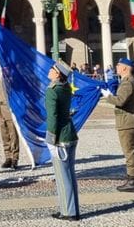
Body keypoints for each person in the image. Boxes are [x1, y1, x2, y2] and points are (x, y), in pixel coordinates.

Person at [101, 57, 134, 192]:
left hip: (127, 121)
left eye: (118, 65)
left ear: (125, 68)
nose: (117, 67)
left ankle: (133, 182)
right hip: (128, 120)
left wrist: (107, 96)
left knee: (130, 153)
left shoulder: (127, 82)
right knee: (133, 152)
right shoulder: (130, 81)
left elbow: (120, 101)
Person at [46, 60, 80, 221]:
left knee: (62, 176)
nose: (49, 70)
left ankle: (69, 212)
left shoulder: (52, 90)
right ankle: (73, 208)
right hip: (70, 133)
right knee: (70, 174)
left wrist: (50, 139)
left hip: (60, 136)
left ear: (57, 73)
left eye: (52, 69)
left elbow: (52, 117)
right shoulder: (65, 88)